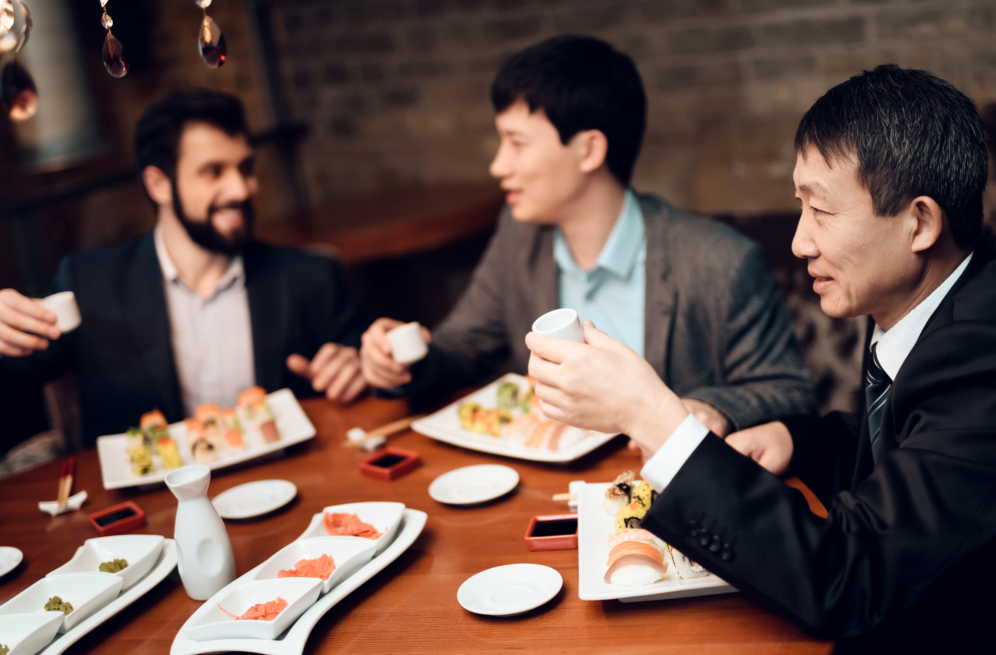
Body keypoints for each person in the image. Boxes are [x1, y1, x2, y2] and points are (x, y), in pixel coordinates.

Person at [525, 65, 996, 655]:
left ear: (919, 223)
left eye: (821, 211)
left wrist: (649, 414)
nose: (798, 242)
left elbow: (850, 579)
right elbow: (906, 448)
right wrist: (796, 441)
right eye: (800, 207)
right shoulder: (939, 302)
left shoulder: (993, 359)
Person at [361, 35, 814, 436]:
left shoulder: (720, 262)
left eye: (517, 143)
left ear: (589, 150)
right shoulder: (520, 236)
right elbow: (462, 348)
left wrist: (708, 409)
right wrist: (403, 359)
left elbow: (789, 392)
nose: (498, 166)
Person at [0, 90, 369, 443]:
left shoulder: (311, 276)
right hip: (150, 504)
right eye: (214, 171)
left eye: (246, 167)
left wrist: (357, 368)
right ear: (158, 184)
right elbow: (11, 399)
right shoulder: (88, 284)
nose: (240, 189)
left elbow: (374, 369)